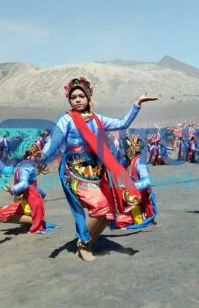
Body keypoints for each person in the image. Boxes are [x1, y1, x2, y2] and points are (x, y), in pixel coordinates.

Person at [39, 77, 157, 261]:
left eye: (81, 96)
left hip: (97, 170)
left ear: (88, 97)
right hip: (75, 171)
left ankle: (87, 245)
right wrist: (40, 158)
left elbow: (122, 123)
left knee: (108, 210)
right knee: (100, 206)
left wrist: (137, 104)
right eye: (73, 97)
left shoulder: (97, 118)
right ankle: (82, 243)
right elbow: (52, 144)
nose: (77, 100)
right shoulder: (66, 120)